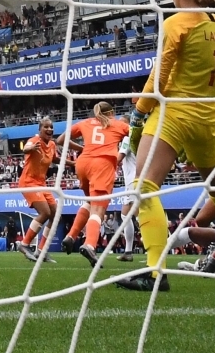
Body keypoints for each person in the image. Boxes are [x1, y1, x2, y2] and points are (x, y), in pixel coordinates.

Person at [116, 0, 215, 292]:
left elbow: (159, 77)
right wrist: (208, 118)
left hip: (173, 115)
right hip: (206, 120)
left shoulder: (175, 23)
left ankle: (155, 272)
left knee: (143, 188)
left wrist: (139, 115)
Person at [57, 102, 129, 267]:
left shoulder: (85, 122)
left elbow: (60, 140)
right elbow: (138, 135)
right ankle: (90, 245)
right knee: (99, 209)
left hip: (83, 164)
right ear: (112, 112)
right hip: (102, 164)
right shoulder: (118, 124)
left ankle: (71, 235)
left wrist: (83, 148)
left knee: (90, 202)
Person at [15, 118, 60, 263]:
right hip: (28, 182)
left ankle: (41, 251)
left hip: (41, 183)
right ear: (40, 129)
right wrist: (30, 149)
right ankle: (24, 244)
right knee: (45, 212)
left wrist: (73, 163)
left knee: (54, 213)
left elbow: (55, 159)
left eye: (51, 127)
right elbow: (26, 148)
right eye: (46, 127)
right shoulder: (34, 140)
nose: (49, 129)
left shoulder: (52, 144)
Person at [116, 131, 138, 262]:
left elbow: (118, 158)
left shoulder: (127, 137)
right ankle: (128, 251)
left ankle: (156, 248)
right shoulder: (137, 137)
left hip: (133, 181)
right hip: (135, 179)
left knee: (139, 214)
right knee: (125, 215)